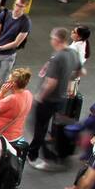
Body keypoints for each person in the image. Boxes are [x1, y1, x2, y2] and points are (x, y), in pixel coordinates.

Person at [27, 29, 80, 171]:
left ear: (57, 39)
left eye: (52, 38)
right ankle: (49, 153)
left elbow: (51, 82)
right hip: (61, 98)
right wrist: (68, 81)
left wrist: (40, 97)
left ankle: (33, 155)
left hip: (49, 99)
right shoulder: (73, 53)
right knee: (47, 125)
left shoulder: (57, 57)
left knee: (39, 127)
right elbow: (80, 71)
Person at [0, 0, 31, 92]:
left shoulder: (26, 22)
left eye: (20, 6)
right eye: (16, 4)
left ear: (26, 7)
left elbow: (16, 43)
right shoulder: (5, 14)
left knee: (0, 84)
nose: (17, 8)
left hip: (8, 56)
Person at [0, 67, 33, 144]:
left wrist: (1, 93)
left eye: (8, 80)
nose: (7, 82)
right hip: (17, 134)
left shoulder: (11, 99)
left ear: (13, 84)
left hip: (3, 136)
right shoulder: (28, 94)